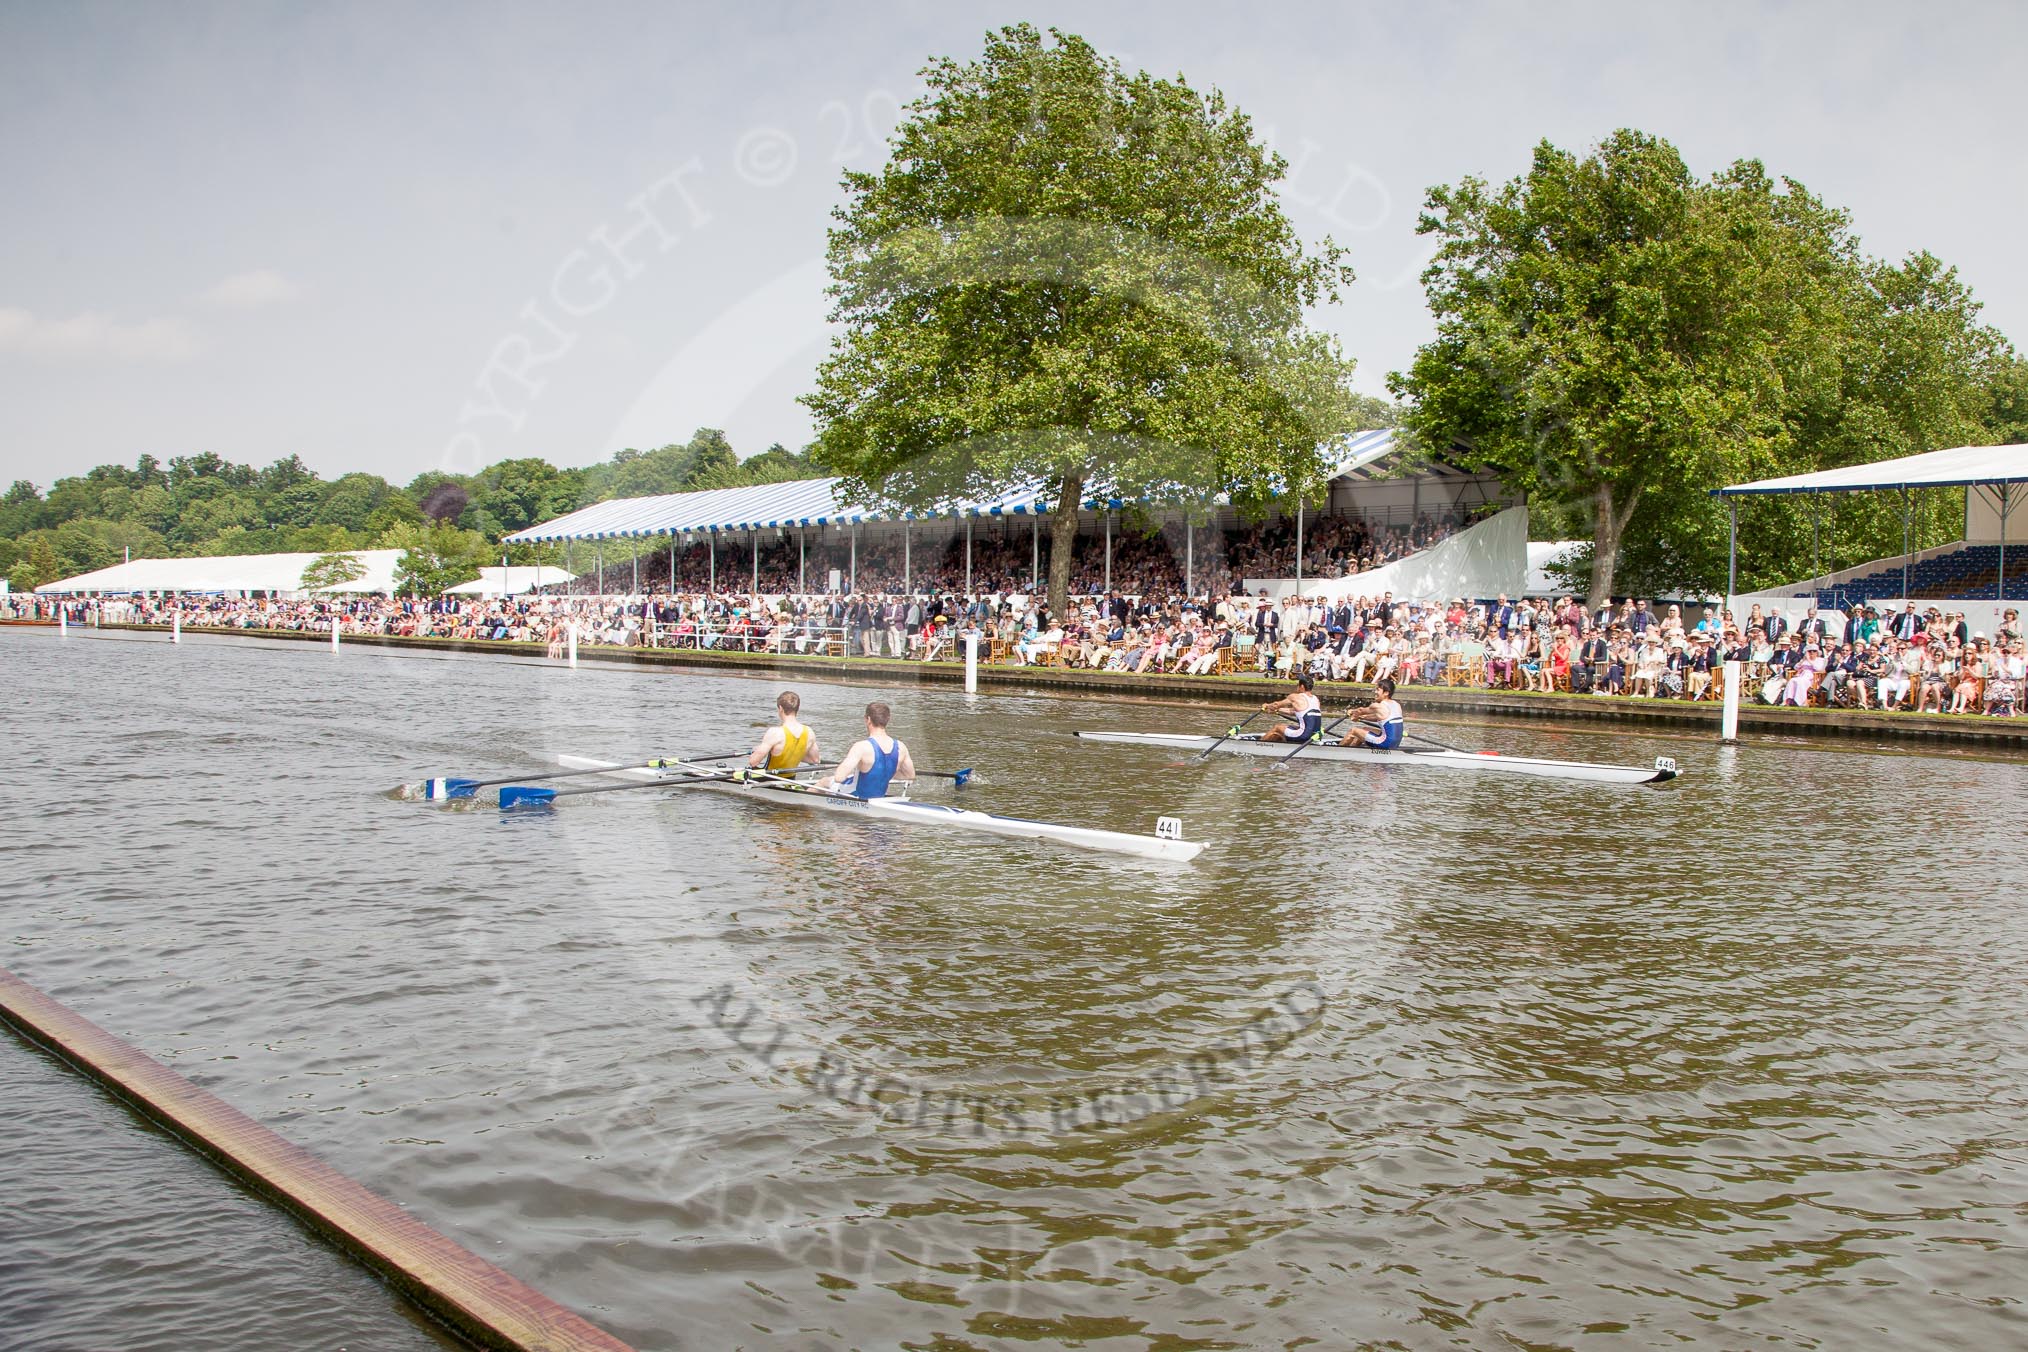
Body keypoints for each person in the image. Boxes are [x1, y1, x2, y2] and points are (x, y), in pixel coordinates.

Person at [816, 701, 915, 800]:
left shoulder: (861, 747)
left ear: (868, 719)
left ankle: (803, 806)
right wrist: (882, 774)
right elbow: (910, 775)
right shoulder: (901, 747)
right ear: (887, 720)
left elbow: (839, 777)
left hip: (854, 793)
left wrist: (845, 767)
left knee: (824, 781)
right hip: (878, 795)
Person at [748, 690, 821, 773]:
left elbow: (753, 762)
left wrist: (756, 751)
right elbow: (815, 760)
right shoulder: (809, 732)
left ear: (780, 708)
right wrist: (795, 754)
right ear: (797, 708)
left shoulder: (775, 732)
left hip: (769, 780)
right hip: (790, 780)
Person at [1339, 676, 1405, 749]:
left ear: (1386, 693)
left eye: (1378, 690)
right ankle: (1353, 751)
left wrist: (1352, 711)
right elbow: (1376, 718)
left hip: (1385, 744)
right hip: (1395, 743)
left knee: (1353, 731)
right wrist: (1361, 717)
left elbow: (1360, 711)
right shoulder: (1397, 705)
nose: (1375, 692)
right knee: (1364, 729)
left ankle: (1338, 752)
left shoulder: (1378, 706)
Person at [1260, 674, 1324, 743]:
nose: (1297, 687)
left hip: (1304, 736)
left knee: (1277, 727)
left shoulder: (1295, 697)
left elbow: (1276, 704)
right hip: (1316, 735)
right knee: (1289, 727)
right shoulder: (1316, 699)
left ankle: (1260, 744)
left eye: (1298, 685)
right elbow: (1293, 711)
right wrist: (1278, 710)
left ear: (1302, 686)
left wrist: (1267, 705)